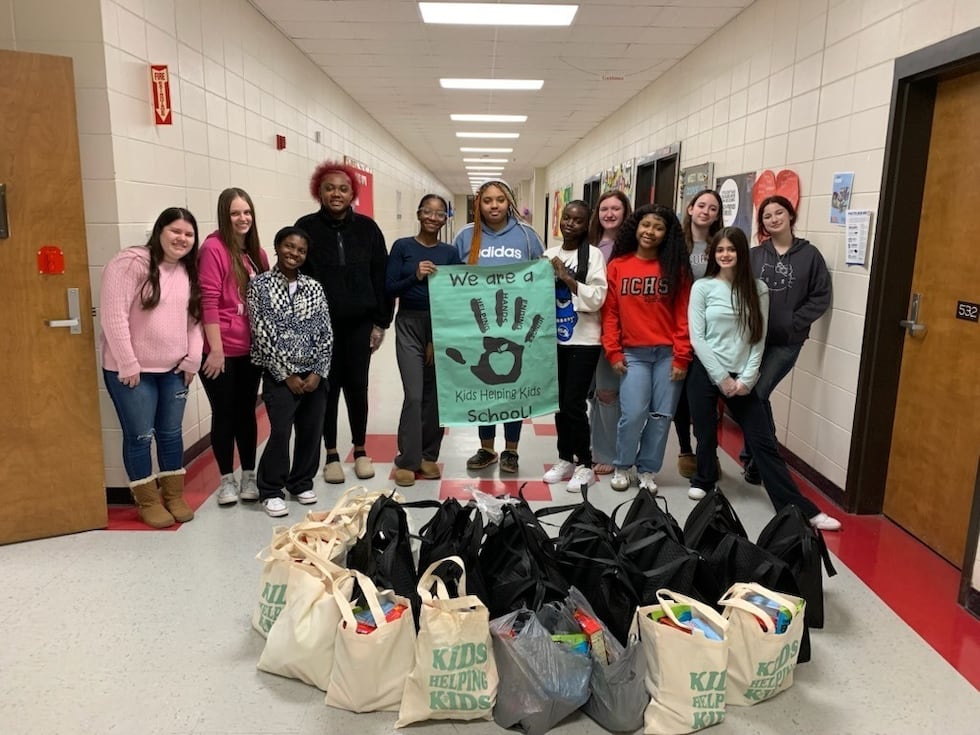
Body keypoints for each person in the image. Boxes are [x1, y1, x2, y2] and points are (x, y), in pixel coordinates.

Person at [687, 226, 840, 531]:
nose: (726, 254)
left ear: (742, 253)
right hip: (706, 370)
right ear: (713, 254)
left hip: (743, 375)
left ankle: (799, 507)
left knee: (763, 443)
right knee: (705, 433)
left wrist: (747, 377)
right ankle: (704, 477)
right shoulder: (702, 287)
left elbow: (759, 336)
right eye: (720, 250)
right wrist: (721, 378)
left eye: (731, 249)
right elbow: (697, 337)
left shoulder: (758, 289)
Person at [100, 207, 204, 528]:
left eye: (188, 234)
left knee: (171, 434)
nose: (182, 239)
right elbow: (113, 315)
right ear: (159, 231)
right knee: (141, 435)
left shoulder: (188, 270)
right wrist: (128, 362)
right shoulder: (131, 262)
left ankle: (173, 496)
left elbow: (194, 321)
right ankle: (147, 501)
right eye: (175, 231)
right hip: (132, 372)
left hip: (173, 371)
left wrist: (192, 359)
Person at [296, 161, 393, 484]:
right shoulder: (305, 227)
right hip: (319, 329)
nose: (336, 193)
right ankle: (332, 454)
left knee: (357, 387)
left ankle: (361, 449)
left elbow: (381, 276)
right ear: (318, 192)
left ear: (353, 193)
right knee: (326, 388)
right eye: (329, 188)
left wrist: (381, 323)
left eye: (343, 188)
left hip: (359, 325)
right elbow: (296, 276)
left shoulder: (368, 229)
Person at [453, 178, 544, 474]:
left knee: (513, 387)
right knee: (484, 385)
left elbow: (539, 276)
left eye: (500, 200)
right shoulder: (466, 235)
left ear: (510, 203)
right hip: (476, 325)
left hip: (516, 325)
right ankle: (487, 448)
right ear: (478, 203)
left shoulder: (527, 235)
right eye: (487, 200)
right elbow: (453, 279)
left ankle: (512, 450)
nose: (494, 205)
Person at [601, 203, 692, 493]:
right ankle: (623, 465)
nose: (650, 232)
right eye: (646, 225)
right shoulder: (618, 266)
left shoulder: (675, 268)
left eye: (658, 227)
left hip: (668, 354)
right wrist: (613, 351)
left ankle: (648, 470)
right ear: (636, 227)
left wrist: (681, 356)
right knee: (633, 414)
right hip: (633, 355)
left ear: (668, 234)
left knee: (662, 415)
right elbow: (611, 313)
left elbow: (683, 315)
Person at [742, 195, 832, 484]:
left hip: (787, 341)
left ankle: (760, 458)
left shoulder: (810, 255)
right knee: (753, 397)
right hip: (753, 340)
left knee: (757, 394)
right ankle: (757, 456)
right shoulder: (755, 255)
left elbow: (821, 296)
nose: (773, 219)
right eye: (767, 216)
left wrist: (794, 321)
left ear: (790, 216)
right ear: (763, 223)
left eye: (779, 213)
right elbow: (740, 290)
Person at [247, 226, 332, 518]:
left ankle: (301, 482)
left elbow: (325, 332)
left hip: (313, 375)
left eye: (301, 250)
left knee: (311, 431)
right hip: (279, 376)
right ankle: (271, 489)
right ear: (277, 246)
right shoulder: (260, 286)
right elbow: (261, 334)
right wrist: (286, 374)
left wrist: (318, 372)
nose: (294, 253)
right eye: (288, 246)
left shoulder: (314, 287)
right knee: (281, 432)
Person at [199, 188, 270, 506]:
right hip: (221, 350)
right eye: (235, 213)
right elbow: (209, 302)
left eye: (247, 212)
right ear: (224, 217)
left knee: (246, 413)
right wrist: (215, 350)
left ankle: (249, 476)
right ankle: (226, 479)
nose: (242, 219)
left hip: (250, 350)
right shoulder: (213, 248)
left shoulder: (257, 253)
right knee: (224, 413)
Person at [385, 195, 461, 487]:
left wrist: (437, 336)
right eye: (427, 211)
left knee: (434, 397)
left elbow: (455, 295)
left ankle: (429, 455)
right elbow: (389, 287)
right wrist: (415, 276)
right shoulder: (403, 247)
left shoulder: (450, 252)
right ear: (418, 214)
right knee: (414, 394)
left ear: (445, 218)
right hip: (409, 324)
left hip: (439, 325)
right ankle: (407, 459)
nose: (432, 217)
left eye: (439, 213)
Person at [542, 200, 608, 493]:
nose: (570, 223)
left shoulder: (593, 256)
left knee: (574, 403)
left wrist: (566, 277)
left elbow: (596, 298)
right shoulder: (548, 254)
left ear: (586, 225)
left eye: (577, 220)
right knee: (559, 404)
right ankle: (564, 457)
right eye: (566, 218)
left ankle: (585, 463)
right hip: (554, 339)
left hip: (584, 340)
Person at [675, 189, 724, 479]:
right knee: (682, 392)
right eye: (701, 205)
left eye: (713, 208)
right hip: (679, 327)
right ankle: (685, 449)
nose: (706, 211)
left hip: (711, 329)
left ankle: (709, 451)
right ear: (691, 209)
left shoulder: (720, 245)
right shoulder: (676, 244)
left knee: (706, 393)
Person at [586, 190, 633, 477]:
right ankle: (595, 445)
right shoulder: (589, 246)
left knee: (607, 393)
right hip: (585, 328)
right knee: (592, 393)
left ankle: (608, 453)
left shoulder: (632, 248)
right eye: (605, 208)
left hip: (615, 330)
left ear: (626, 213)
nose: (610, 214)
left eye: (616, 208)